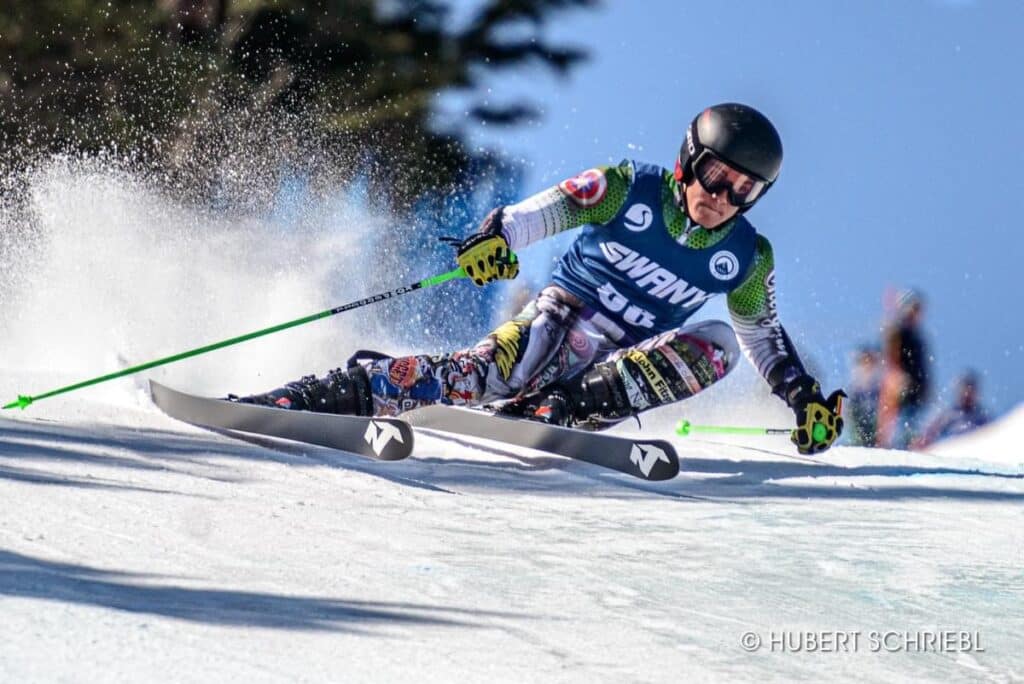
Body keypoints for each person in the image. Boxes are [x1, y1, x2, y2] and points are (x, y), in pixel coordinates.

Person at [237, 103, 846, 454]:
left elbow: (761, 336)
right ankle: (327, 394)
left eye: (744, 191)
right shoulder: (631, 187)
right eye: (716, 176)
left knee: (718, 344)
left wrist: (802, 396)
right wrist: (497, 236)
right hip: (559, 325)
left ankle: (559, 412)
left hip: (620, 371)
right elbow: (550, 210)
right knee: (488, 374)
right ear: (689, 160)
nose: (722, 197)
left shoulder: (745, 255)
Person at [877, 289, 931, 449]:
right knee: (900, 429)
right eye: (914, 308)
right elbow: (891, 356)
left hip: (916, 391)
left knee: (913, 429)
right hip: (900, 390)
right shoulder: (899, 331)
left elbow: (922, 366)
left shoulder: (917, 336)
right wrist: (896, 378)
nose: (916, 313)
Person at [912, 371, 989, 449]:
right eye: (965, 391)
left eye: (971, 391)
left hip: (974, 452)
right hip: (952, 452)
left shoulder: (982, 417)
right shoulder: (949, 414)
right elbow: (929, 433)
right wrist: (920, 444)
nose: (967, 395)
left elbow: (991, 436)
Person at [846, 344, 882, 446]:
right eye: (865, 362)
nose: (868, 366)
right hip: (858, 434)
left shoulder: (880, 387)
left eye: (871, 362)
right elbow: (851, 414)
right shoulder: (855, 389)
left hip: (877, 433)